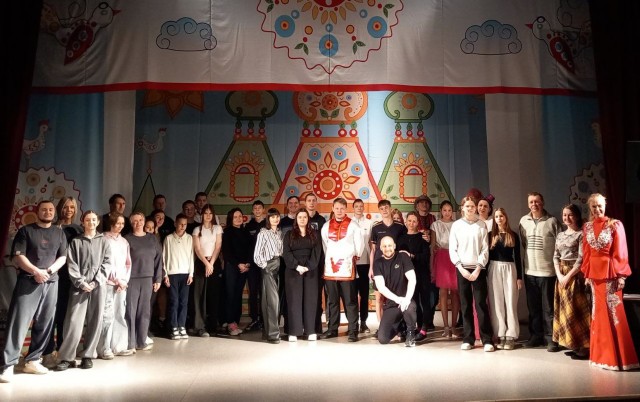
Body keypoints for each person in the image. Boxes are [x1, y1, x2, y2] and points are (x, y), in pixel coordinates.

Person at [0, 201, 67, 382]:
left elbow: (62, 257)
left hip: (51, 281)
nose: (48, 212)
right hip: (28, 281)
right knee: (19, 322)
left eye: (51, 210)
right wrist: (36, 271)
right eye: (44, 209)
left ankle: (33, 360)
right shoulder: (26, 231)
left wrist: (48, 272)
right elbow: (19, 256)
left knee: (45, 322)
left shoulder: (59, 233)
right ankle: (8, 365)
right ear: (38, 212)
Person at [580, 193, 639, 371]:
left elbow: (621, 251)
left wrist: (621, 275)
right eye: (594, 206)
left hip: (611, 275)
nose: (597, 209)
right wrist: (586, 274)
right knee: (598, 315)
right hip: (595, 277)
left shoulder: (615, 225)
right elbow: (587, 252)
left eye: (600, 205)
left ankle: (619, 358)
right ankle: (602, 357)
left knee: (614, 314)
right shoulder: (587, 227)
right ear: (590, 208)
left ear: (605, 206)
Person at [56, 210, 112, 371]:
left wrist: (96, 282)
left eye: (94, 220)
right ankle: (67, 357)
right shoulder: (75, 241)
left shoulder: (104, 241)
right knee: (73, 322)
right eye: (88, 220)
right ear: (83, 222)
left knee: (95, 320)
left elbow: (107, 263)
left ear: (98, 222)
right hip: (78, 287)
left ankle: (88, 355)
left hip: (98, 286)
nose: (91, 222)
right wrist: (81, 283)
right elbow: (71, 264)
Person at [42, 196, 82, 369]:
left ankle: (64, 352)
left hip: (70, 278)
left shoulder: (79, 230)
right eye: (66, 207)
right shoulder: (52, 228)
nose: (69, 210)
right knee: (51, 314)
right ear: (60, 208)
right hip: (53, 275)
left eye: (72, 207)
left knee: (66, 316)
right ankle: (47, 352)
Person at [449, 196, 494, 352]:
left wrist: (478, 268)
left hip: (478, 269)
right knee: (465, 304)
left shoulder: (481, 225)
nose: (470, 208)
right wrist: (460, 268)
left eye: (472, 206)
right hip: (462, 269)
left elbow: (484, 249)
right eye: (467, 206)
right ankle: (468, 339)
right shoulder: (456, 225)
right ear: (462, 208)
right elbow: (453, 249)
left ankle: (487, 339)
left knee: (481, 304)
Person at [519, 192, 560, 349]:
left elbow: (559, 244)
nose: (534, 204)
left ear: (542, 203)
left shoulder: (552, 221)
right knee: (533, 307)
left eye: (537, 201)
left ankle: (551, 338)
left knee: (549, 308)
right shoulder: (523, 221)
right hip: (530, 272)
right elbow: (524, 242)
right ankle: (535, 336)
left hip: (547, 272)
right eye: (531, 202)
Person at [320, 198, 364, 342]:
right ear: (332, 208)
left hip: (347, 267)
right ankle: (332, 329)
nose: (339, 211)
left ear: (346, 209)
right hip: (330, 269)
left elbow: (359, 245)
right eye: (337, 208)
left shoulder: (353, 225)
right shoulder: (326, 226)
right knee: (332, 301)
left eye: (342, 208)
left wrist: (353, 256)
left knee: (350, 301)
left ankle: (353, 330)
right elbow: (325, 246)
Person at [552, 204, 590, 359]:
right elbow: (555, 256)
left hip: (575, 275)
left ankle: (583, 347)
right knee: (564, 310)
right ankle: (572, 343)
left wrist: (568, 276)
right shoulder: (560, 235)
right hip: (561, 274)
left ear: (577, 216)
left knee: (575, 311)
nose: (566, 218)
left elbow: (581, 259)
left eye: (570, 215)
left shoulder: (581, 234)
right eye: (564, 215)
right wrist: (559, 275)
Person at [124, 212, 163, 352]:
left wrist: (158, 278)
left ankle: (141, 341)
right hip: (131, 279)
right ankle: (130, 343)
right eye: (135, 221)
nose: (138, 223)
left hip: (148, 279)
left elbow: (159, 259)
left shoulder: (152, 238)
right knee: (130, 311)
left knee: (144, 311)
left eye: (140, 220)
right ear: (131, 223)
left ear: (144, 221)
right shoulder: (126, 239)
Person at [283, 208, 322, 341]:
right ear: (296, 219)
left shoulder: (315, 234)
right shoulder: (289, 234)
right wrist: (296, 266)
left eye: (305, 217)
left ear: (308, 219)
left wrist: (308, 267)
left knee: (310, 300)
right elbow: (286, 253)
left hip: (310, 270)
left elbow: (317, 252)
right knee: (294, 300)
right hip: (293, 270)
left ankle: (310, 331)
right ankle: (294, 332)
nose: (302, 219)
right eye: (300, 217)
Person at [97, 213, 132, 359]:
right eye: (118, 223)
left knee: (120, 314)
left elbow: (128, 263)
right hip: (107, 283)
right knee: (107, 315)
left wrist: (124, 280)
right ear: (111, 223)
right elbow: (104, 263)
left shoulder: (124, 242)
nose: (120, 226)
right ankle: (104, 348)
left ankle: (119, 346)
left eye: (122, 223)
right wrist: (116, 280)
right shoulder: (102, 239)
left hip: (121, 284)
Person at [487, 208, 523, 350]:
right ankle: (500, 333)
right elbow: (487, 256)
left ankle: (511, 335)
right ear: (494, 219)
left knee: (510, 302)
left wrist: (519, 277)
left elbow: (518, 257)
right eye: (496, 216)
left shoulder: (513, 235)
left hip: (509, 269)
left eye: (501, 216)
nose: (499, 219)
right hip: (494, 268)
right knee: (497, 302)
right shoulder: (490, 235)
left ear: (505, 217)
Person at [373, 236, 417, 346]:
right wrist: (398, 299)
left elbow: (412, 279)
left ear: (394, 246)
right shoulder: (377, 263)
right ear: (380, 248)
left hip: (407, 300)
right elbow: (381, 287)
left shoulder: (403, 257)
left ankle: (411, 333)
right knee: (383, 339)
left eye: (389, 245)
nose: (387, 248)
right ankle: (400, 327)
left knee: (409, 308)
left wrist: (406, 299)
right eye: (384, 246)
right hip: (392, 303)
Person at [369, 200, 407, 326]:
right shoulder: (376, 227)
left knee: (396, 297)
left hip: (395, 267)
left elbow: (403, 248)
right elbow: (373, 250)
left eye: (386, 207)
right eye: (381, 208)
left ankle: (397, 326)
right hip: (379, 267)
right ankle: (381, 326)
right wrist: (371, 268)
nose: (384, 210)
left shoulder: (400, 227)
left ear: (390, 208)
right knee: (379, 298)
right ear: (379, 211)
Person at [397, 211, 430, 342]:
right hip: (408, 276)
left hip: (422, 273)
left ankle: (424, 328)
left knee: (425, 301)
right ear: (405, 222)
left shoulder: (423, 237)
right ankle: (415, 326)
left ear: (417, 223)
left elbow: (425, 256)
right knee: (414, 301)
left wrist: (411, 256)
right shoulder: (401, 238)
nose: (411, 223)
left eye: (414, 221)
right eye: (409, 221)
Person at [191, 204, 223, 337]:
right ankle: (200, 326)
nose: (208, 216)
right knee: (199, 295)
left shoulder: (217, 228)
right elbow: (197, 249)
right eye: (206, 213)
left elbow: (218, 246)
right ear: (202, 215)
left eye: (210, 213)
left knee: (213, 294)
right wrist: (206, 263)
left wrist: (211, 263)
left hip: (214, 263)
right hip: (200, 263)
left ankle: (213, 325)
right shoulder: (196, 229)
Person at [254, 208, 283, 344]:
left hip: (279, 265)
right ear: (268, 219)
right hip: (268, 266)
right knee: (272, 301)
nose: (275, 219)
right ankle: (273, 334)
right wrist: (265, 266)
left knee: (268, 301)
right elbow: (257, 255)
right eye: (272, 217)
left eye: (277, 216)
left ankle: (267, 332)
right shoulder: (263, 233)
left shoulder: (279, 233)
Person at [430, 200, 459, 339]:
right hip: (441, 257)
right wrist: (431, 264)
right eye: (444, 210)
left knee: (455, 292)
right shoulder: (435, 225)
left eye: (449, 210)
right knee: (443, 291)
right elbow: (433, 245)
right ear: (441, 211)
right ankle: (446, 326)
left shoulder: (457, 224)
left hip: (454, 256)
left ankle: (454, 326)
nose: (447, 213)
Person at [222, 208, 253, 336]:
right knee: (230, 295)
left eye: (240, 216)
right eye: (235, 217)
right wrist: (238, 264)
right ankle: (230, 322)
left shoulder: (246, 231)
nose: (238, 219)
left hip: (244, 268)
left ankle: (235, 321)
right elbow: (227, 252)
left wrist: (247, 263)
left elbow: (251, 249)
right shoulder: (227, 232)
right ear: (231, 219)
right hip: (232, 267)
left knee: (238, 295)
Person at [163, 214, 194, 340]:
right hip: (172, 274)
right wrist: (165, 274)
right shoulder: (169, 238)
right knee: (174, 301)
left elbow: (191, 256)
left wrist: (191, 273)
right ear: (175, 223)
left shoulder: (189, 238)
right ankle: (174, 326)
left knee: (183, 302)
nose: (182, 226)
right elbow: (164, 257)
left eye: (185, 224)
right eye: (180, 224)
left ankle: (182, 326)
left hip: (185, 274)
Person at [244, 200, 266, 332]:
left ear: (263, 210)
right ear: (252, 211)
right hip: (252, 265)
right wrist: (247, 261)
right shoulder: (248, 226)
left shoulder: (268, 224)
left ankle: (264, 320)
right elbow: (246, 246)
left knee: (264, 292)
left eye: (259, 208)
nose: (257, 210)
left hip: (264, 264)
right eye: (255, 208)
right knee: (253, 292)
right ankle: (254, 319)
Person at [352, 198, 372, 334]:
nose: (359, 208)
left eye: (361, 206)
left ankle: (363, 322)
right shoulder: (349, 222)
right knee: (352, 295)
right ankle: (353, 323)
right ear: (353, 208)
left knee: (364, 294)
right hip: (352, 264)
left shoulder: (369, 223)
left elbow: (371, 243)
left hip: (365, 263)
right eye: (356, 206)